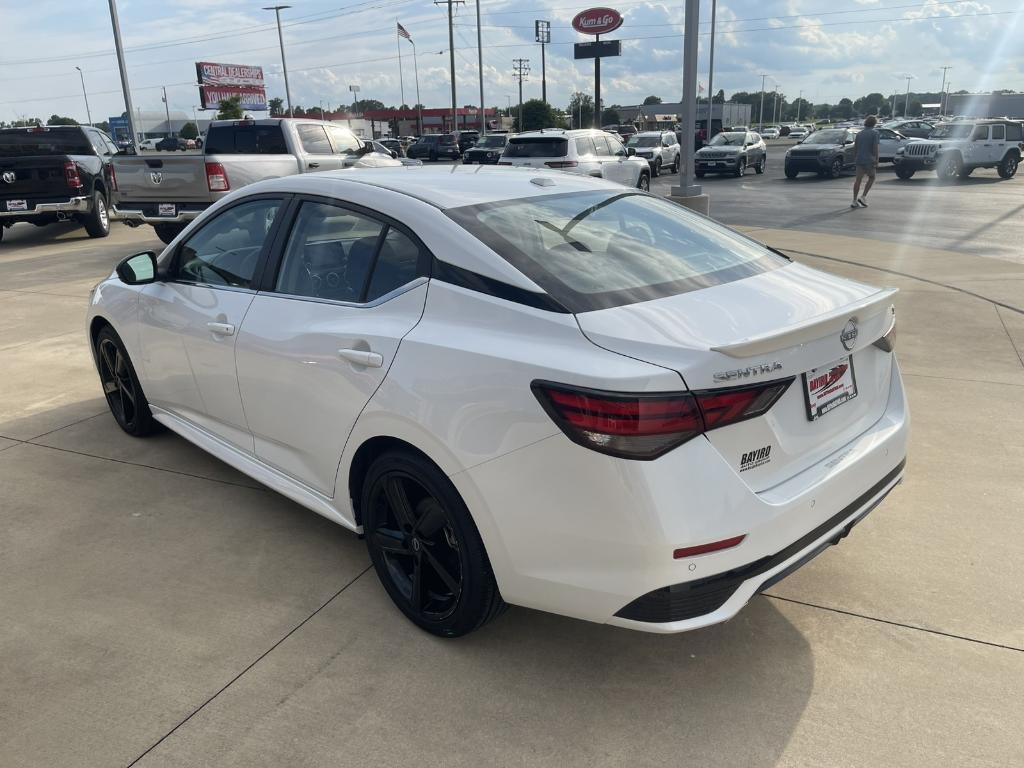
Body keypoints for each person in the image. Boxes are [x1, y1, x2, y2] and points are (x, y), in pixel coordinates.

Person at [852, 115, 880, 208]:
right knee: (872, 177)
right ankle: (863, 196)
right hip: (869, 159)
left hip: (859, 159)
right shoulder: (875, 133)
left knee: (858, 180)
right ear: (874, 123)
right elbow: (875, 147)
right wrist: (877, 159)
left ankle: (854, 200)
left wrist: (855, 157)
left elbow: (855, 147)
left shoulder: (859, 133)